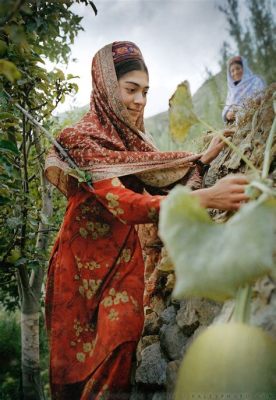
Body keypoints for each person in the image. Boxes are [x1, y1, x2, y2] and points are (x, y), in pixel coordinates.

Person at [44, 41, 249, 400]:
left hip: (123, 261)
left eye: (145, 91)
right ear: (107, 87)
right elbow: (123, 203)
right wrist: (205, 197)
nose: (140, 100)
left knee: (123, 337)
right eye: (131, 89)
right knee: (77, 365)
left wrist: (201, 159)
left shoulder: (135, 144)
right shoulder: (78, 139)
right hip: (78, 271)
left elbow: (163, 178)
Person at [222, 55, 266, 124]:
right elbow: (226, 112)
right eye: (232, 71)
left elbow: (262, 98)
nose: (235, 72)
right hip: (238, 128)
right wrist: (228, 115)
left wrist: (240, 111)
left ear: (244, 68)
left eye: (238, 68)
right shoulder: (231, 91)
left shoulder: (256, 81)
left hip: (258, 120)